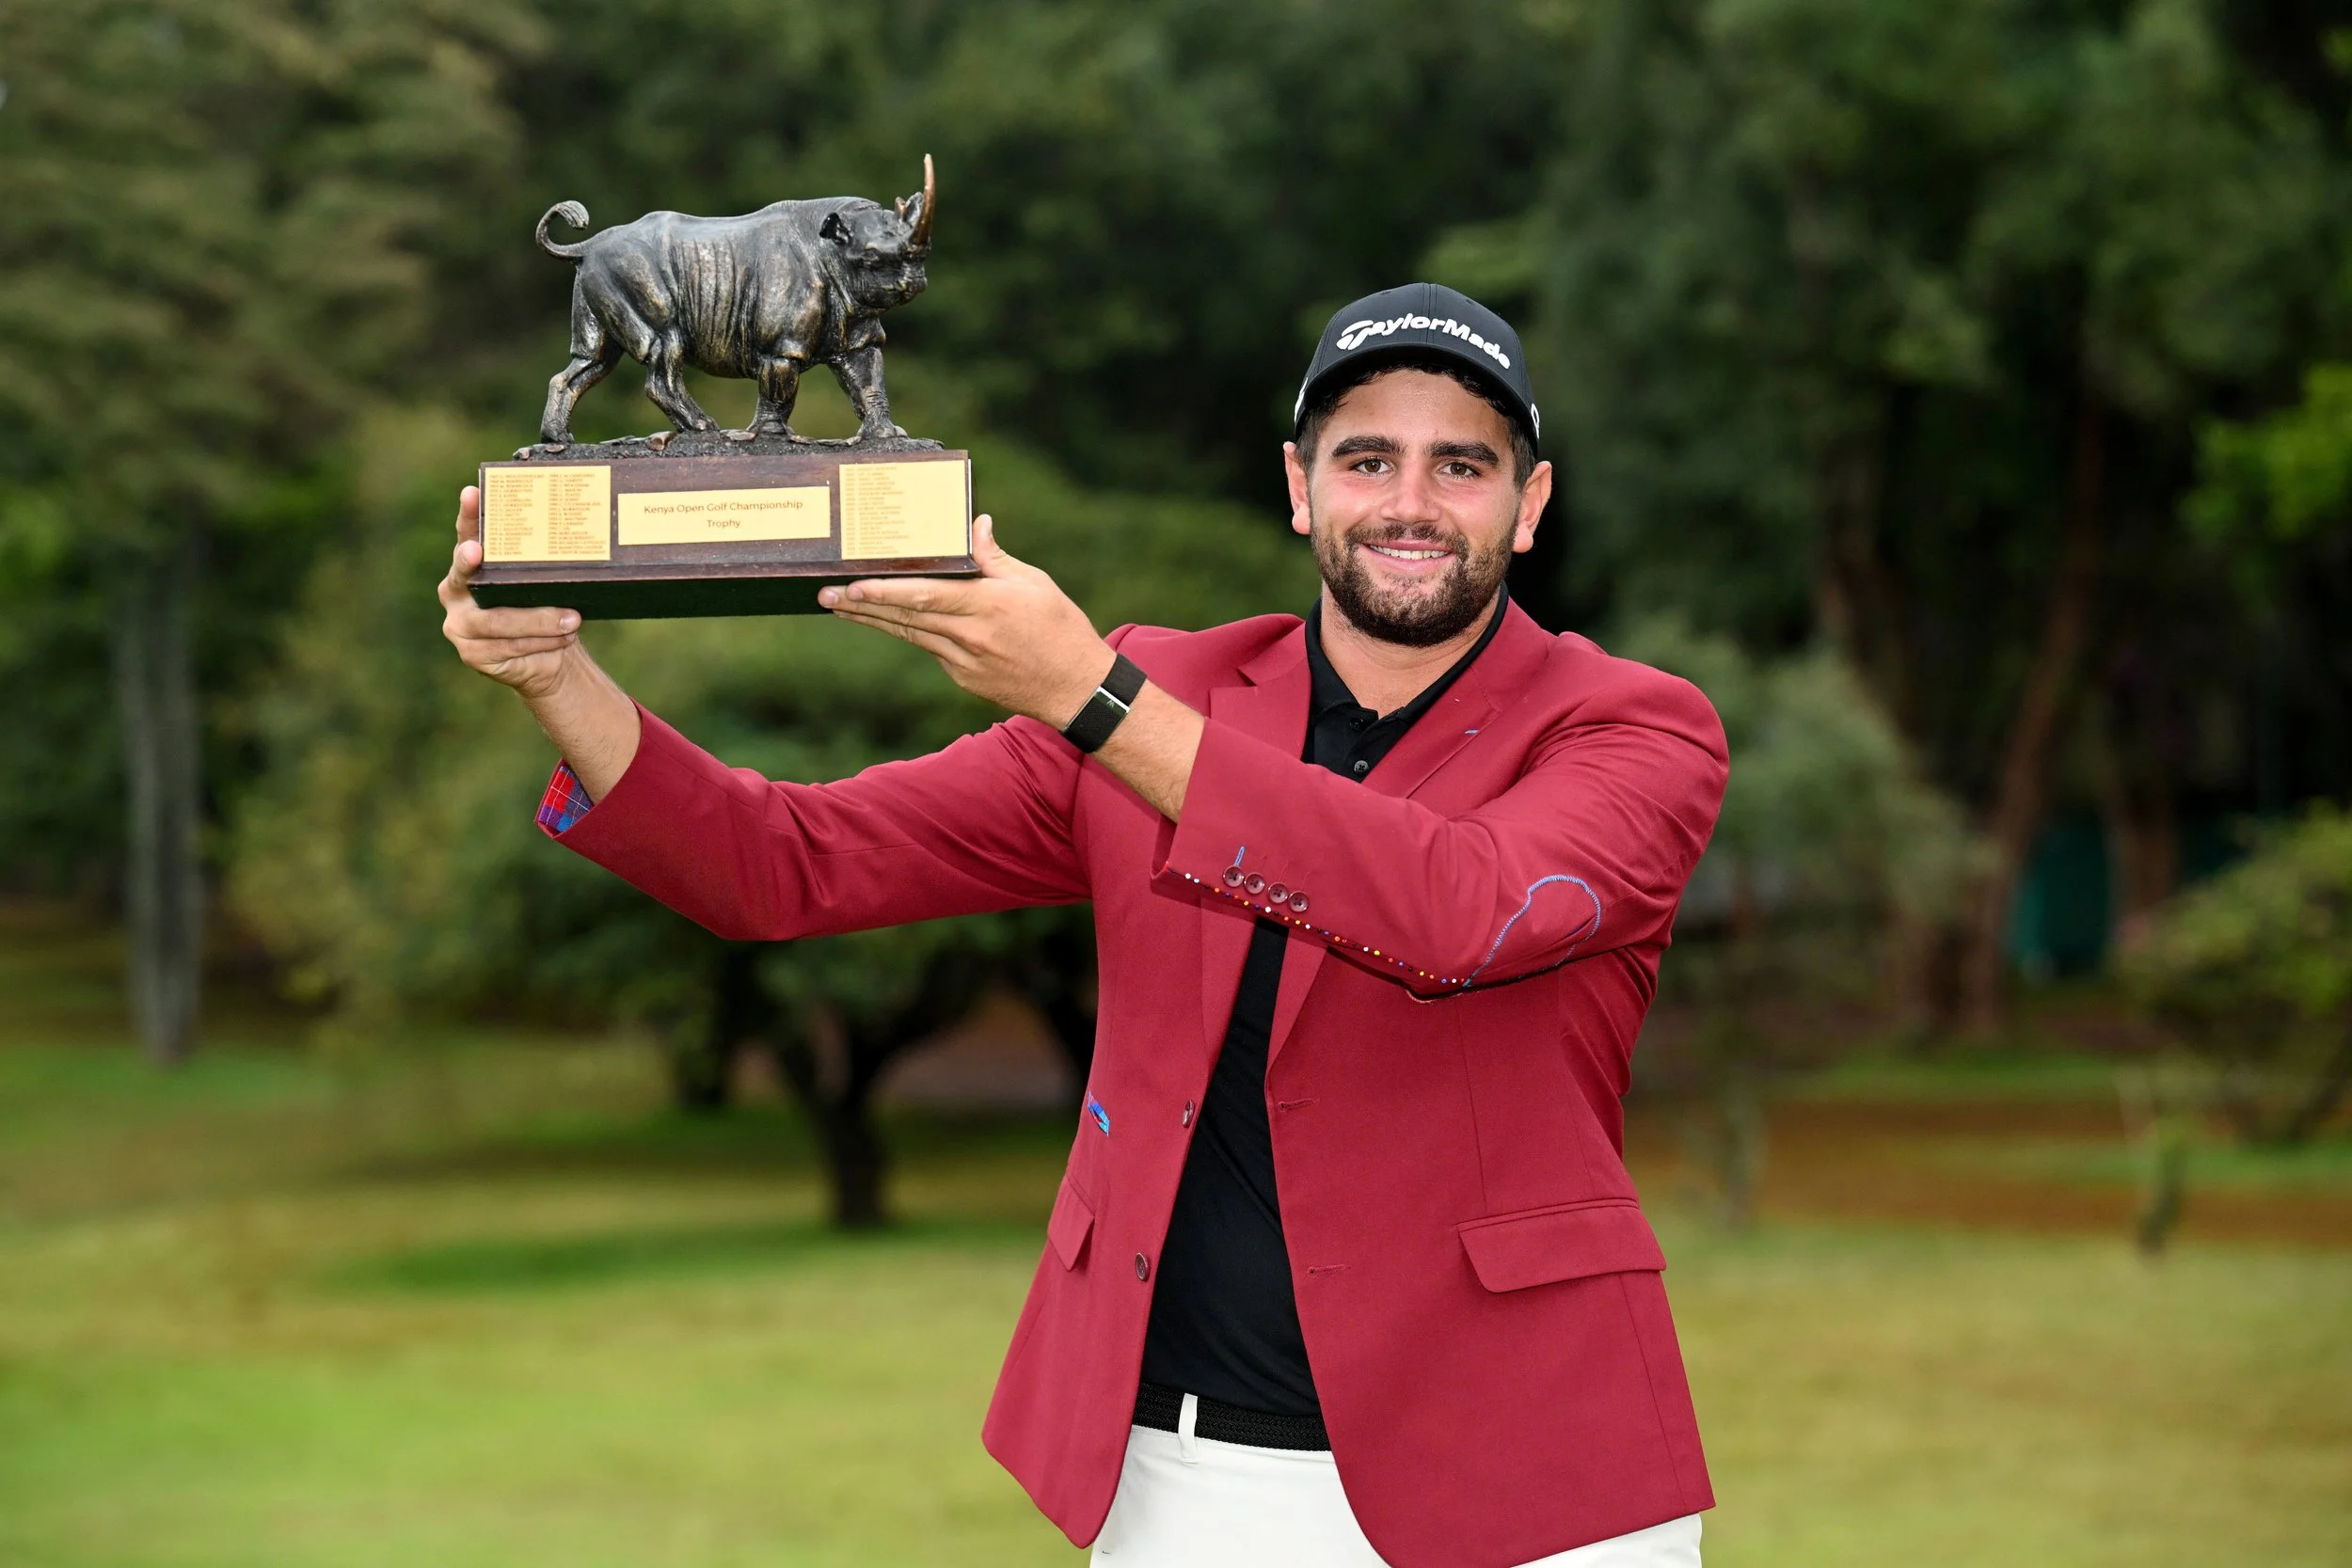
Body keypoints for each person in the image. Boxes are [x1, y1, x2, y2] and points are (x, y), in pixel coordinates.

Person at [440, 283, 1726, 1568]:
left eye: (1462, 464)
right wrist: (560, 678)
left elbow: (1463, 905)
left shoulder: (1634, 725)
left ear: (1531, 501)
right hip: (1187, 1477)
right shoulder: (1168, 689)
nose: (1410, 501)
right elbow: (782, 863)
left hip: (1535, 1471)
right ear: (1299, 485)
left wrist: (1090, 696)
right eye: (1366, 458)